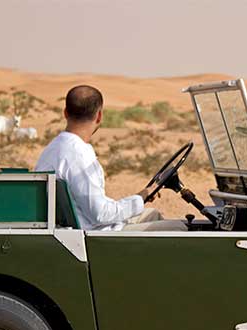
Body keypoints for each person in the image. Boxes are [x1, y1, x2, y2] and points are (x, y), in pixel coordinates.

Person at [35, 85, 185, 231]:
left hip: (82, 227)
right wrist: (138, 200)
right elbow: (100, 214)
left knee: (152, 214)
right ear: (99, 116)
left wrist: (140, 197)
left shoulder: (53, 148)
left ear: (65, 113)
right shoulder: (79, 155)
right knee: (181, 228)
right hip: (96, 236)